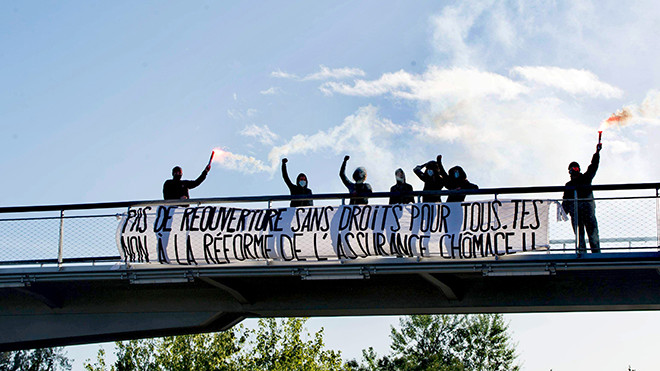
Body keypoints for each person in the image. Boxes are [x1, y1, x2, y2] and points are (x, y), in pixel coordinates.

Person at [561, 143, 602, 253]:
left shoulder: (585, 178)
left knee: (593, 235)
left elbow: (593, 166)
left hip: (587, 211)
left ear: (579, 169)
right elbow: (565, 201)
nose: (574, 170)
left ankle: (596, 257)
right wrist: (563, 211)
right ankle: (582, 256)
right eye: (572, 169)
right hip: (576, 214)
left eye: (576, 168)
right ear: (569, 171)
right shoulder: (569, 185)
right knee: (580, 238)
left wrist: (597, 153)